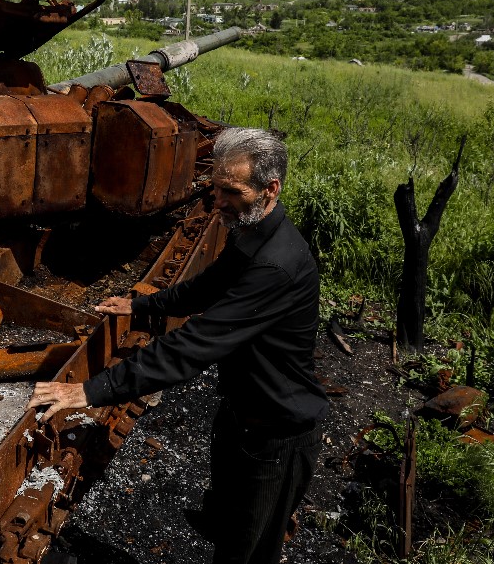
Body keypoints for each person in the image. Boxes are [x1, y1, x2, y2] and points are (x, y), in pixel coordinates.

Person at [26, 127, 327, 564]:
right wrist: (141, 305)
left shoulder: (276, 265)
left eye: (231, 191)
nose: (217, 201)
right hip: (243, 415)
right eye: (216, 188)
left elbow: (193, 345)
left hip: (277, 434)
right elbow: (208, 287)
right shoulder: (251, 231)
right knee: (226, 523)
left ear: (270, 189)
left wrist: (89, 391)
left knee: (246, 553)